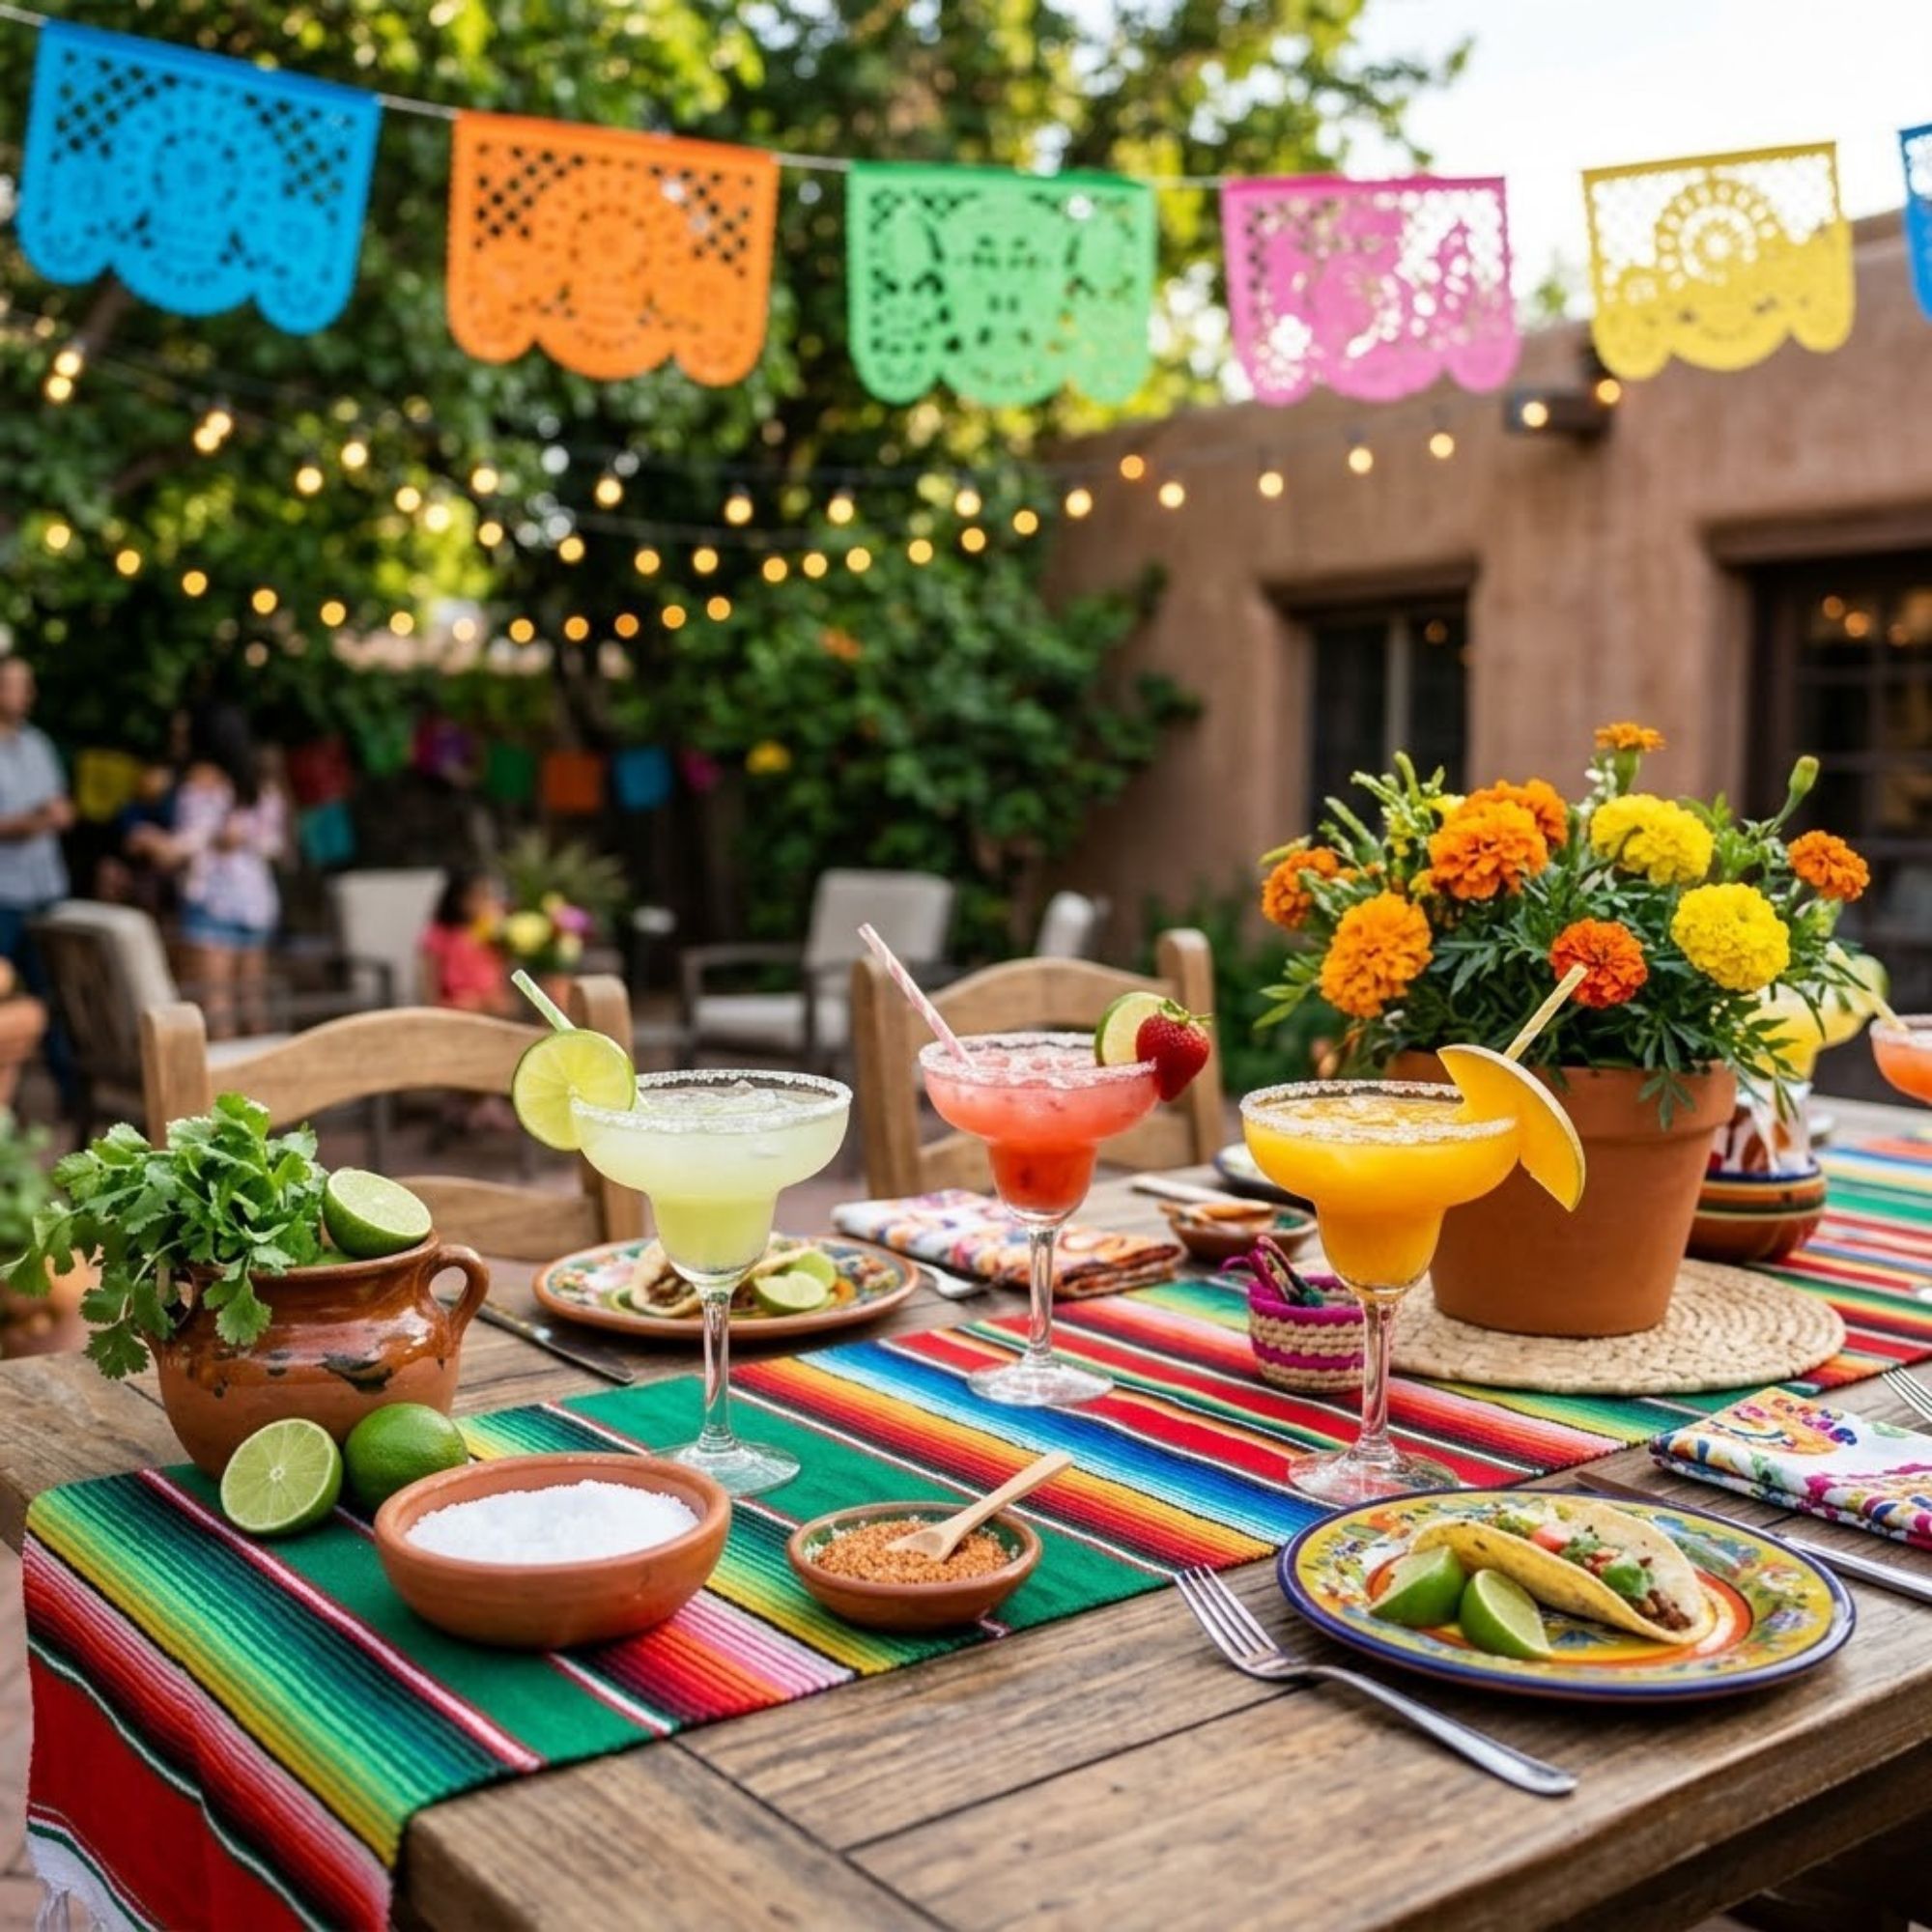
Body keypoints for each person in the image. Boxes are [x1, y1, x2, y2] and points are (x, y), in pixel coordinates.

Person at [156, 705, 286, 1038]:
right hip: (255, 903)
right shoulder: (260, 788)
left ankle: (226, 1074)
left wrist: (151, 842)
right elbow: (275, 844)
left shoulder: (196, 788)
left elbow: (186, 843)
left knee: (216, 1008)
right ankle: (258, 1074)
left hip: (211, 903)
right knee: (253, 1005)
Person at [0, 658, 74, 1100]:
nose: (22, 694)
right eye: (11, 685)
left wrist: (57, 815)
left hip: (45, 891)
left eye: (25, 685)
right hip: (3, 894)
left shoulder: (38, 744)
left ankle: (71, 1098)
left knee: (55, 996)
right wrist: (30, 823)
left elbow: (59, 805)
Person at [420, 868, 513, 1015]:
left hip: (493, 1010)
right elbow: (429, 986)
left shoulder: (496, 931)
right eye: (476, 896)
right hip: (455, 1012)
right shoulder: (440, 934)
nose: (484, 903)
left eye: (488, 896)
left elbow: (504, 982)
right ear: (457, 899)